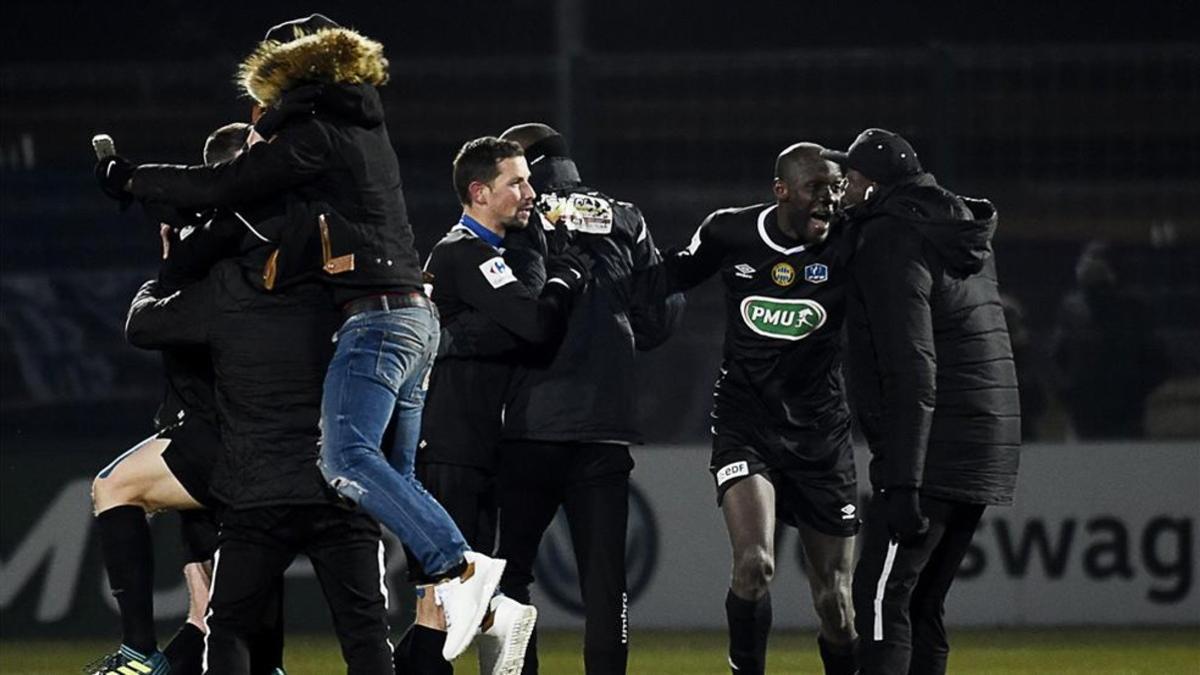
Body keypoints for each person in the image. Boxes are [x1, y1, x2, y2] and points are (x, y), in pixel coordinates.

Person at [94, 14, 503, 661]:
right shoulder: (360, 125)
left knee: (346, 462)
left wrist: (133, 182)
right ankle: (468, 600)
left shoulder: (316, 137)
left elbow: (229, 191)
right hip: (409, 318)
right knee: (390, 479)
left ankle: (462, 569)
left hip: (376, 322)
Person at [449, 122, 682, 675]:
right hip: (605, 424)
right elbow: (660, 314)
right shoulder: (626, 217)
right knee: (605, 583)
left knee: (510, 574)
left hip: (528, 422)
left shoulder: (515, 215)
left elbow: (514, 312)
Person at [648, 143, 859, 675]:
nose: (830, 200)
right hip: (747, 423)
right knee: (754, 564)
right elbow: (661, 278)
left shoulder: (855, 239)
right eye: (817, 187)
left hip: (821, 434)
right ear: (782, 190)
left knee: (835, 602)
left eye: (836, 188)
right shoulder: (730, 232)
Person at [86, 123, 284, 675]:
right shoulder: (246, 230)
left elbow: (150, 326)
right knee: (210, 605)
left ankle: (138, 652)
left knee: (113, 487)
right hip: (247, 426)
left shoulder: (225, 248)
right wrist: (127, 183)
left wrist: (161, 271)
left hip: (224, 429)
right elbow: (177, 204)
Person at [823, 128, 1021, 675]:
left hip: (933, 450)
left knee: (882, 600)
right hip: (983, 444)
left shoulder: (891, 239)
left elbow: (912, 365)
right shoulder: (953, 229)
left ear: (873, 185)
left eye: (852, 180)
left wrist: (904, 479)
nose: (843, 191)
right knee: (922, 603)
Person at [395, 136, 592, 675]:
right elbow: (533, 326)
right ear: (480, 192)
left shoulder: (482, 257)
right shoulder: (465, 253)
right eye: (517, 182)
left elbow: (507, 330)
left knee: (454, 602)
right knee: (445, 602)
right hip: (448, 447)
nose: (531, 192)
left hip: (468, 443)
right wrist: (563, 278)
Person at [1049, 240, 1170, 439]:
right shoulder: (1071, 308)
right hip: (1083, 416)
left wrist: (1134, 392)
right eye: (1089, 260)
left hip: (1126, 417)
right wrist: (1069, 394)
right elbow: (1057, 358)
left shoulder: (1134, 309)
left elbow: (1158, 361)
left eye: (1099, 262)